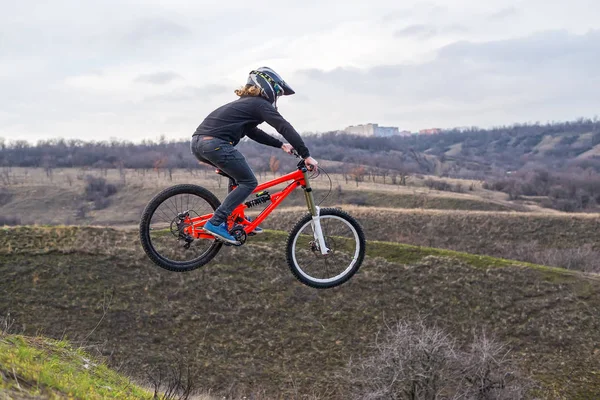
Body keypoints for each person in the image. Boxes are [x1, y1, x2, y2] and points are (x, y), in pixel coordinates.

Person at [191, 67, 318, 244]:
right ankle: (216, 222)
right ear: (268, 87)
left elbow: (253, 133)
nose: (277, 98)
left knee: (237, 178)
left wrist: (281, 145)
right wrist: (306, 155)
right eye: (277, 93)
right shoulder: (259, 104)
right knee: (249, 182)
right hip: (215, 144)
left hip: (199, 144)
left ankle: (234, 219)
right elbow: (284, 126)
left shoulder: (246, 105)